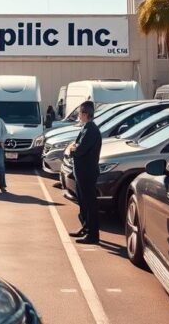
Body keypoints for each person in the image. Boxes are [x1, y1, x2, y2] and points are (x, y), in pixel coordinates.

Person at [67, 100, 102, 244]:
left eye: (80, 113)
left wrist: (73, 149)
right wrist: (74, 147)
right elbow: (75, 146)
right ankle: (86, 227)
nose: (79, 116)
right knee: (82, 202)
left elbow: (79, 150)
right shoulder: (86, 128)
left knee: (89, 203)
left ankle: (92, 235)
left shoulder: (91, 130)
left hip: (87, 172)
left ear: (86, 114)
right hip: (81, 172)